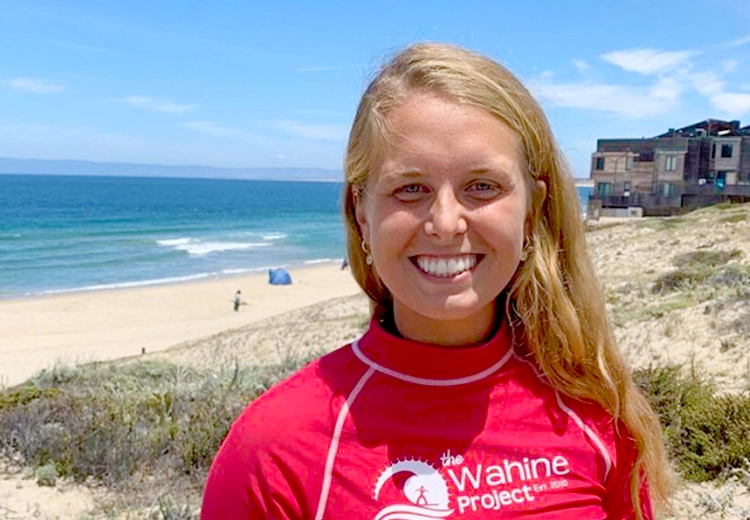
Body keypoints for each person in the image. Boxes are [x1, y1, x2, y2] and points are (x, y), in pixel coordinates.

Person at [201, 43, 672, 519]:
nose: (446, 223)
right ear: (361, 214)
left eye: (482, 186)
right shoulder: (275, 447)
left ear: (532, 211)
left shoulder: (594, 415)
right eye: (410, 189)